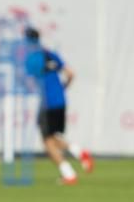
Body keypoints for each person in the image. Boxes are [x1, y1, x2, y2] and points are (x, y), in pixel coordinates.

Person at [23, 27, 93, 185]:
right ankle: (80, 152)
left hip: (47, 103)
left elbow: (28, 82)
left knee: (47, 142)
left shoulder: (32, 59)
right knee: (53, 137)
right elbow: (71, 73)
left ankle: (69, 174)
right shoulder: (49, 54)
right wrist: (63, 89)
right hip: (60, 100)